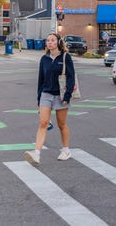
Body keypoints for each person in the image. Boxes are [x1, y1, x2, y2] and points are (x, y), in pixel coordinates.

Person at [24, 32, 75, 165]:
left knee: (61, 124)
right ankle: (37, 154)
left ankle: (65, 150)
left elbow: (71, 77)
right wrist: (38, 99)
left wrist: (68, 95)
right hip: (46, 94)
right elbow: (41, 80)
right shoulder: (44, 59)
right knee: (43, 123)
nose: (49, 43)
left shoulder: (65, 57)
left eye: (52, 40)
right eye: (48, 41)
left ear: (58, 42)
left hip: (60, 95)